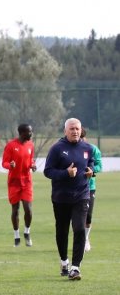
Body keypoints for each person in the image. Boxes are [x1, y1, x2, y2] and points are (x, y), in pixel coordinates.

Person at [43, 118, 94, 280]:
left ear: (81, 130)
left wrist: (90, 171)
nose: (75, 131)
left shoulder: (87, 148)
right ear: (65, 131)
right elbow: (48, 171)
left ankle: (75, 267)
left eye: (77, 128)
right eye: (71, 129)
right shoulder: (57, 149)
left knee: (79, 229)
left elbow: (91, 163)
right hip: (61, 197)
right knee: (62, 231)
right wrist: (66, 173)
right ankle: (64, 261)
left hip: (82, 195)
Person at [1, 124, 37, 247]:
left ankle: (27, 232)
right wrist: (9, 165)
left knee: (28, 209)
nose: (31, 134)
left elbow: (31, 159)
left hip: (26, 181)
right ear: (22, 133)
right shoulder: (11, 145)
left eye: (31, 131)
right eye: (29, 132)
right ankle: (16, 236)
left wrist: (33, 165)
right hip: (14, 182)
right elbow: (4, 162)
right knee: (15, 210)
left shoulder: (31, 145)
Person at [81, 128, 102, 252]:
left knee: (88, 216)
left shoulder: (92, 149)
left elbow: (99, 165)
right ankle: (80, 239)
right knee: (77, 216)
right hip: (74, 186)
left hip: (90, 187)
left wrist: (92, 171)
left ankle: (86, 238)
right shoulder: (71, 149)